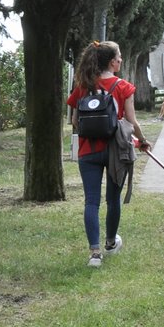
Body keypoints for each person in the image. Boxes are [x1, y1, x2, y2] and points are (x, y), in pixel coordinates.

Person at [65, 40, 146, 268]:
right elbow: (131, 122)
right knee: (113, 200)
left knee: (91, 201)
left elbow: (74, 120)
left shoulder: (83, 85)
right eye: (119, 57)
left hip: (87, 151)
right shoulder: (124, 87)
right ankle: (110, 242)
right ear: (112, 62)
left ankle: (94, 253)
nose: (121, 60)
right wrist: (143, 141)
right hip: (115, 152)